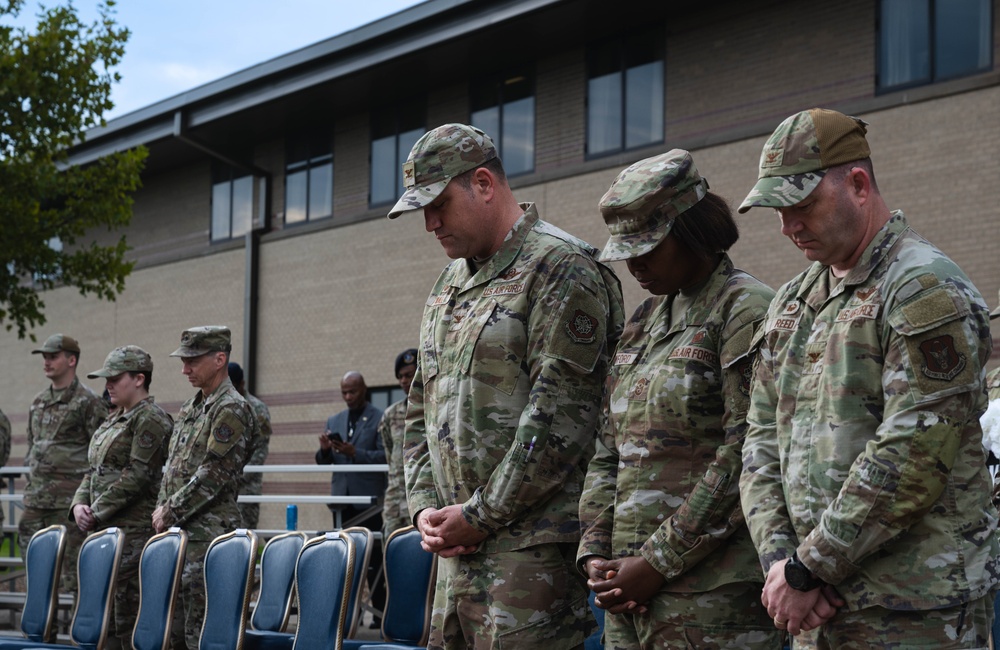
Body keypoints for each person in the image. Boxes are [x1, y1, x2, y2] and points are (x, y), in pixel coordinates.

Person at [737, 108, 999, 647]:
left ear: (858, 184)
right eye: (777, 211)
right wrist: (781, 564)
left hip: (912, 608)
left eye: (802, 205)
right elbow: (760, 437)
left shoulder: (924, 289)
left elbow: (914, 451)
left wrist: (810, 568)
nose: (788, 226)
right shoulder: (792, 302)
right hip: (815, 611)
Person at [389, 123, 625, 650]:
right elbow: (420, 408)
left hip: (529, 558)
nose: (429, 224)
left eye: (439, 204)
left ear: (483, 184)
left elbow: (559, 419)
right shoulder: (449, 284)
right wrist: (424, 507)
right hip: (455, 557)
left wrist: (479, 516)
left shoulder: (561, 268)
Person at [578, 150, 780, 649]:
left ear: (691, 230)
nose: (634, 264)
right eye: (626, 250)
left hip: (711, 601)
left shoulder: (745, 309)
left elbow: (747, 452)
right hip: (628, 595)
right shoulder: (644, 321)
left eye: (648, 247)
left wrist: (656, 561)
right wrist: (596, 553)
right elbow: (609, 449)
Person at [153, 326, 253, 649]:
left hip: (207, 541)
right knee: (173, 634)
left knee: (202, 637)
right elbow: (173, 470)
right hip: (178, 536)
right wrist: (162, 513)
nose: (185, 369)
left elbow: (213, 474)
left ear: (219, 359)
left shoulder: (231, 409)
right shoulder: (193, 407)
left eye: (192, 361)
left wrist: (169, 510)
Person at [71, 346, 172, 649]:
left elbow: (138, 475)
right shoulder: (112, 420)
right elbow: (93, 471)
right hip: (105, 533)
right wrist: (78, 505)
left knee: (129, 618)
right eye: (106, 379)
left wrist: (96, 511)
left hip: (133, 536)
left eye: (115, 378)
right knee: (106, 619)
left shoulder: (151, 419)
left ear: (139, 379)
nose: (108, 385)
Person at [22, 333, 106, 593]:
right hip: (37, 501)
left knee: (73, 576)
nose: (47, 361)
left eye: (53, 356)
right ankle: (41, 630)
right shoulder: (38, 402)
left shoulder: (88, 402)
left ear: (71, 360)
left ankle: (76, 633)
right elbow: (32, 444)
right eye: (44, 357)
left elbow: (100, 452)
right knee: (37, 576)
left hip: (68, 504)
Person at [315, 369, 385, 623]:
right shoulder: (335, 420)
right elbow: (324, 462)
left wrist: (356, 452)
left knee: (374, 558)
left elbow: (385, 457)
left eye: (352, 391)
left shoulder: (380, 418)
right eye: (344, 392)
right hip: (342, 500)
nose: (348, 396)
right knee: (345, 557)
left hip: (369, 501)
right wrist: (324, 451)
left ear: (364, 390)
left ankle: (379, 614)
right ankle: (345, 615)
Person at [227, 361, 272, 529]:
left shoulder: (257, 409)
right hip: (222, 486)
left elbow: (260, 451)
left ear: (242, 384)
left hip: (246, 487)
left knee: (244, 536)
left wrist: (238, 477)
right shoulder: (222, 406)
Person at [379, 348, 417, 538]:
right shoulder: (391, 415)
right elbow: (389, 452)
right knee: (391, 553)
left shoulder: (434, 411)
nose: (404, 381)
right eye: (400, 377)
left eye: (409, 375)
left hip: (424, 498)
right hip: (395, 499)